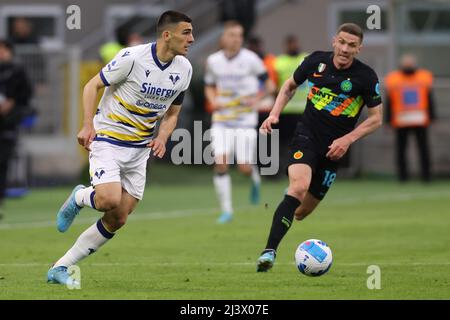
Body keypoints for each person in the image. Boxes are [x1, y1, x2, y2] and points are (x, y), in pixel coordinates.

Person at [47, 10, 194, 285]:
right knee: (109, 199)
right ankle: (80, 197)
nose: (192, 39)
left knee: (118, 217)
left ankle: (60, 267)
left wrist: (162, 136)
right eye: (186, 32)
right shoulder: (132, 58)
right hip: (109, 139)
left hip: (139, 151)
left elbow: (173, 113)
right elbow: (92, 86)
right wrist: (87, 124)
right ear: (167, 35)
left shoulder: (184, 69)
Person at [256, 23, 383, 272]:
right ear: (334, 41)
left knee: (301, 212)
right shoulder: (315, 61)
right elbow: (289, 86)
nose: (345, 49)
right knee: (299, 187)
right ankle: (268, 252)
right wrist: (273, 114)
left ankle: (291, 195)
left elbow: (377, 119)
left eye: (352, 45)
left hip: (334, 149)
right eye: (342, 42)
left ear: (359, 49)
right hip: (307, 136)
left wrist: (347, 140)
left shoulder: (365, 77)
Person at [204, 21, 275, 224]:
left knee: (243, 167)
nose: (236, 39)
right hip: (222, 121)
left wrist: (257, 98)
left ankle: (253, 176)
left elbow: (270, 85)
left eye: (239, 35)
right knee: (221, 162)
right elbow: (209, 86)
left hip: (245, 121)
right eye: (232, 35)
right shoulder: (214, 61)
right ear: (223, 38)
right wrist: (212, 100)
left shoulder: (251, 59)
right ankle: (226, 211)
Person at [384, 54, 435, 183]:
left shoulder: (424, 77)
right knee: (401, 150)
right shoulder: (393, 79)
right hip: (401, 119)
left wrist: (433, 116)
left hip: (420, 119)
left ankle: (426, 176)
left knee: (423, 149)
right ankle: (402, 177)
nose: (408, 65)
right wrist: (388, 120)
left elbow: (429, 98)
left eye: (410, 63)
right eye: (406, 63)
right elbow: (389, 101)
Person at [0, 40, 33, 220]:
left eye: (3, 50)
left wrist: (11, 103)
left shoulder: (18, 71)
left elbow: (26, 94)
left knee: (3, 161)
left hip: (9, 123)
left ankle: (1, 200)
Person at [274, 35, 309, 174]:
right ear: (285, 46)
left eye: (294, 43)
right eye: (290, 44)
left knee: (303, 141)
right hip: (286, 110)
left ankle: (302, 167)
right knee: (284, 142)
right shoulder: (279, 62)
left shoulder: (306, 59)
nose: (293, 46)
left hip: (304, 109)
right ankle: (284, 168)